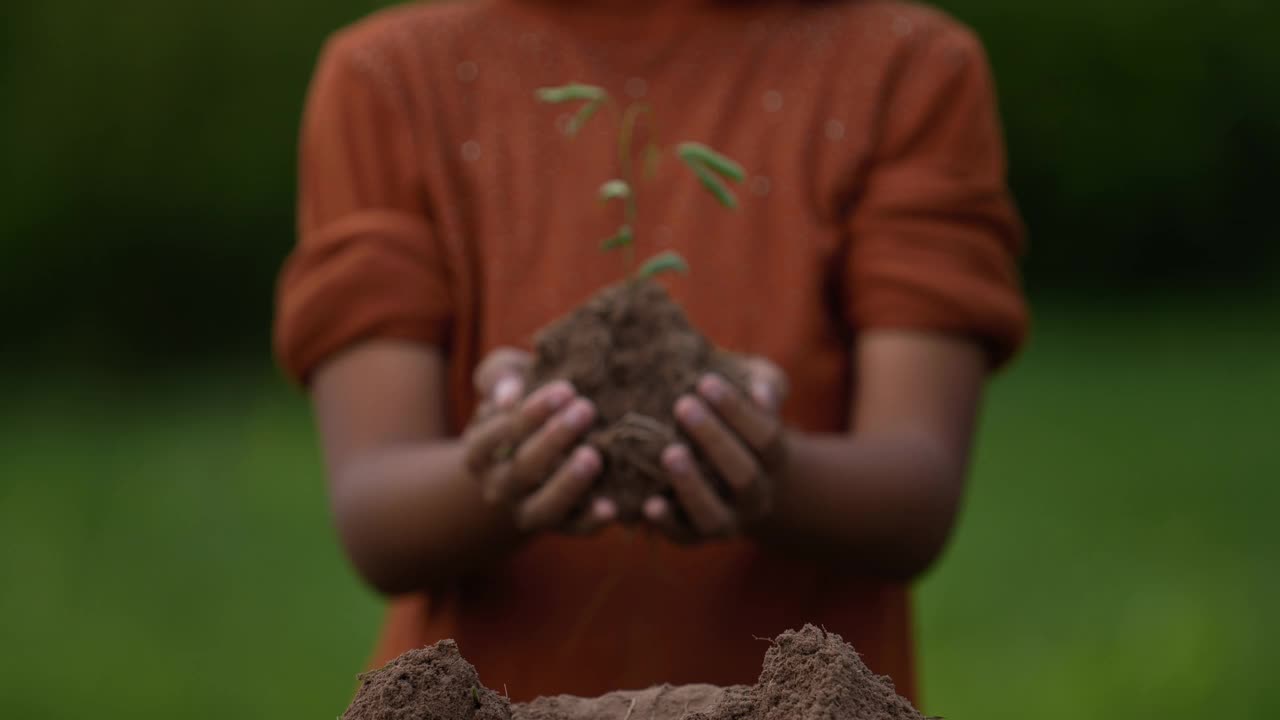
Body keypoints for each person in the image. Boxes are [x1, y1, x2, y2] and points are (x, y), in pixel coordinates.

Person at [274, 0, 1028, 705]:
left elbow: (916, 493)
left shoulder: (906, 68)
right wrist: (505, 471)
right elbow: (376, 514)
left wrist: (775, 475)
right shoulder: (388, 79)